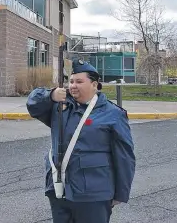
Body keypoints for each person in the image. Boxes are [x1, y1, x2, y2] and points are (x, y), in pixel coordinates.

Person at [26, 59, 136, 223]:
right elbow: (33, 104)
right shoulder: (60, 107)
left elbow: (124, 156)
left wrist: (121, 193)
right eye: (71, 81)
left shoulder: (113, 114)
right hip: (59, 189)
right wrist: (51, 95)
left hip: (93, 194)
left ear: (94, 84)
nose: (73, 86)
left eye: (79, 81)